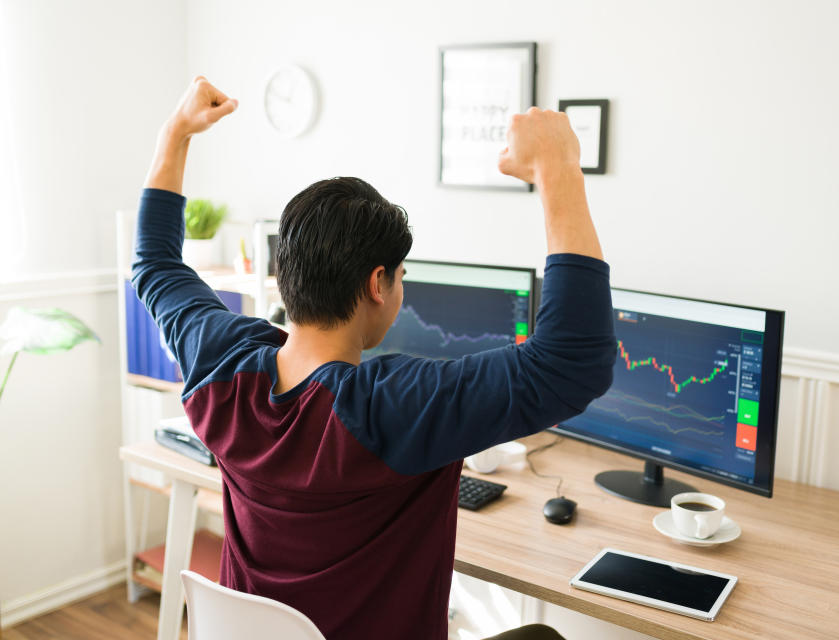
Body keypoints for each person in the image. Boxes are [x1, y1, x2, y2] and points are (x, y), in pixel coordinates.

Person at [133, 76, 616, 640]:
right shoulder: (389, 406)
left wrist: (175, 134)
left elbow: (156, 266)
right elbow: (572, 362)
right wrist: (557, 167)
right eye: (402, 277)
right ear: (377, 284)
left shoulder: (220, 368)